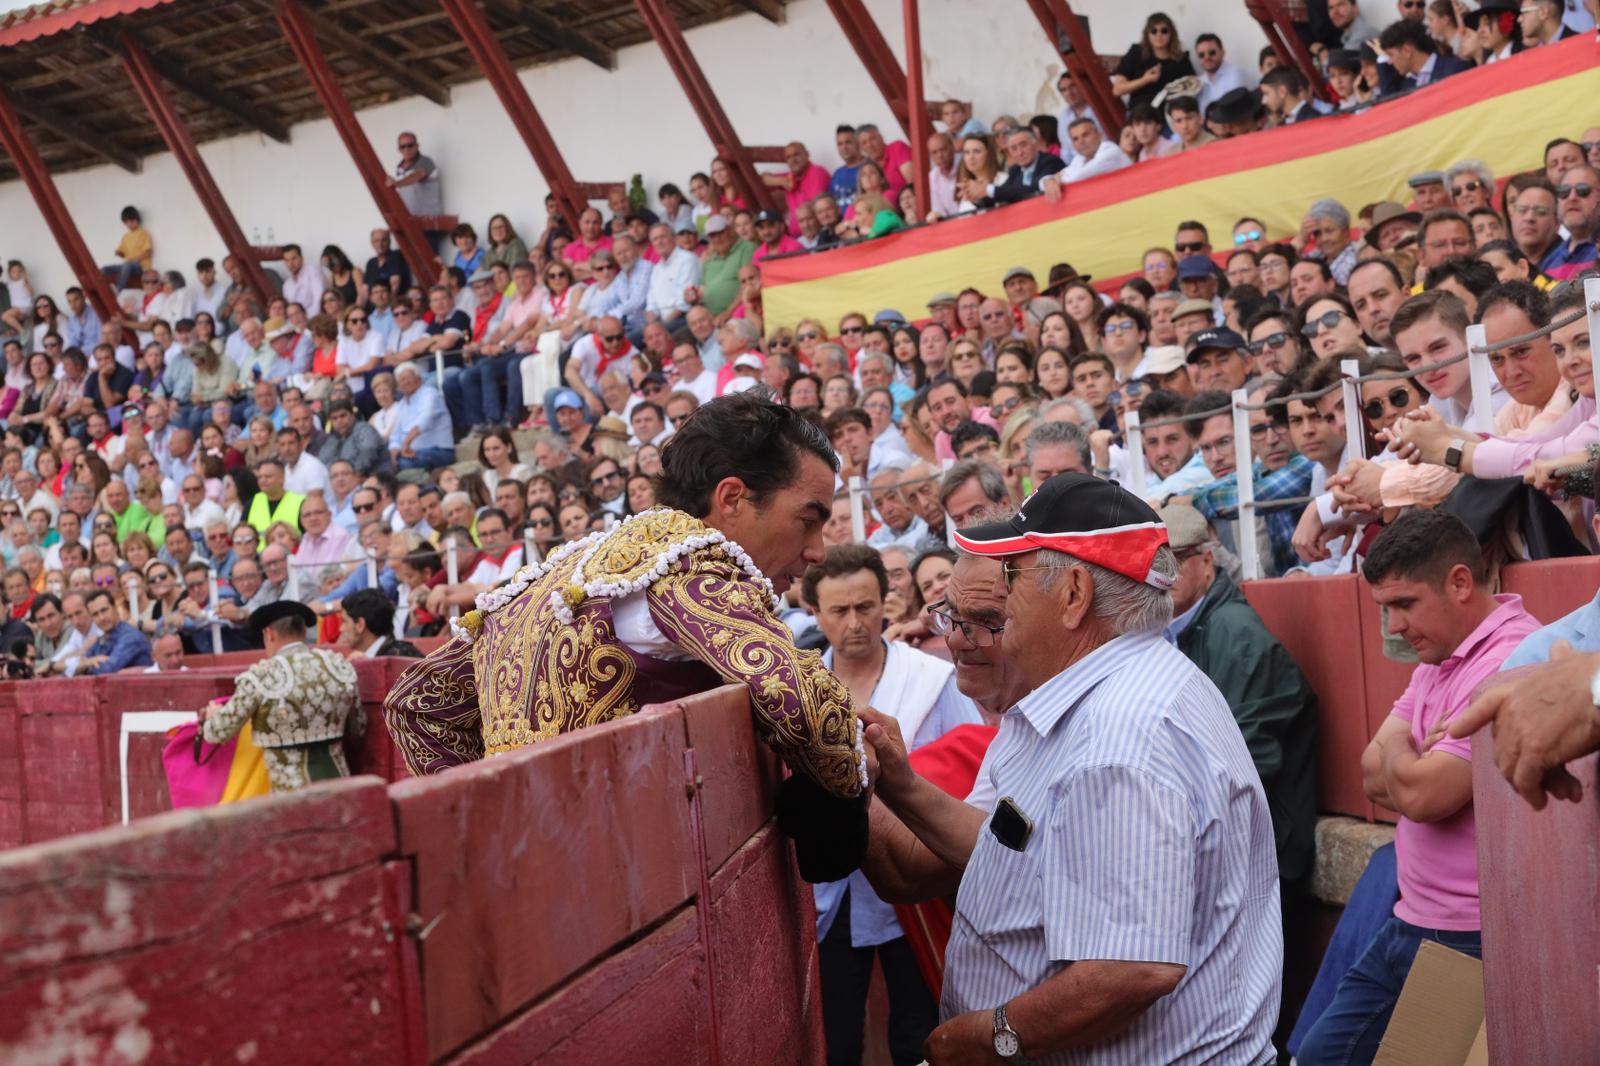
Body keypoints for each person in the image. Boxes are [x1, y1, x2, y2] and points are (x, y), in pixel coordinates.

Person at [858, 474, 1280, 1063]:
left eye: (1016, 573)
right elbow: (1016, 853)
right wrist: (896, 783)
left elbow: (1131, 967)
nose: (1003, 603)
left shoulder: (1119, 733)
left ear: (1075, 593)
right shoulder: (1092, 697)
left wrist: (987, 1036)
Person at [384, 391, 866, 800]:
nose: (819, 551)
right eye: (808, 519)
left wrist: (498, 819)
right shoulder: (693, 563)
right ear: (733, 498)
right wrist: (862, 775)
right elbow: (800, 703)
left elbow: (414, 703)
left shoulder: (558, 572)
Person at [1297, 510, 1537, 1063]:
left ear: (1459, 582)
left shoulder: (1514, 655)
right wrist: (1413, 759)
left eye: (1404, 605)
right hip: (1413, 916)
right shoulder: (1441, 651)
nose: (1395, 627)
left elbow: (1426, 797)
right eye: (1385, 609)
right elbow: (1369, 772)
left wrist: (1402, 756)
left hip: (1470, 934)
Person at [804, 545, 983, 1066]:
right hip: (833, 895)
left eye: (866, 606)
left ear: (888, 602)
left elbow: (970, 771)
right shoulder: (799, 689)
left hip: (920, 887)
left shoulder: (932, 679)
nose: (855, 623)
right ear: (814, 612)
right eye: (839, 611)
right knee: (836, 1038)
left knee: (919, 1030)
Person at [1161, 503, 1319, 925]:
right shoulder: (1180, 626)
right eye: (1154, 563)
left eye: (1175, 561)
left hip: (1261, 854)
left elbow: (1244, 763)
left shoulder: (1234, 633)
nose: (1163, 574)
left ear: (1207, 560)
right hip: (1226, 843)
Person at [198, 600, 363, 792]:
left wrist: (212, 718)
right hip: (340, 784)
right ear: (302, 632)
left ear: (269, 634)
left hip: (291, 794)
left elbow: (217, 732)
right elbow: (358, 727)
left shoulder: (263, 676)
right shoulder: (337, 666)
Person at [78, 588, 153, 674]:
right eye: (95, 614)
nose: (101, 618)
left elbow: (107, 670)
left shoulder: (130, 636)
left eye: (104, 610)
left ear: (115, 608)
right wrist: (86, 663)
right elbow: (74, 667)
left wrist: (85, 666)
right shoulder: (101, 640)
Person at [337, 588, 422, 658]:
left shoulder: (400, 659)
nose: (341, 628)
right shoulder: (400, 653)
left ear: (360, 625)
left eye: (345, 621)